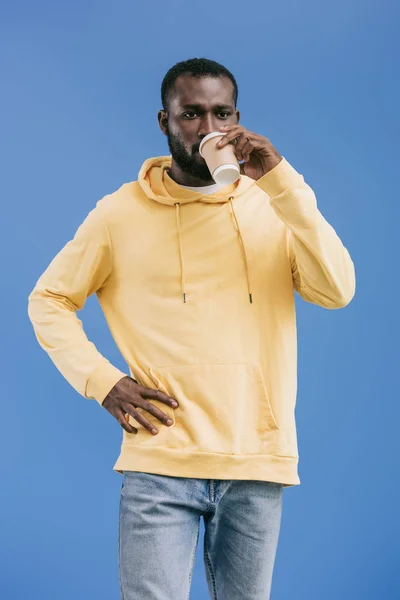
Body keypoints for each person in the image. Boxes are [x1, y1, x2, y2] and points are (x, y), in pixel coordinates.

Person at [27, 57, 356, 600]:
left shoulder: (273, 206)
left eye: (221, 113)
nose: (208, 130)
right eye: (191, 114)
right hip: (162, 460)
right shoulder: (117, 215)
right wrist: (101, 381)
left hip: (257, 459)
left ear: (237, 118)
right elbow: (49, 299)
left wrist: (282, 181)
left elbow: (337, 290)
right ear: (165, 122)